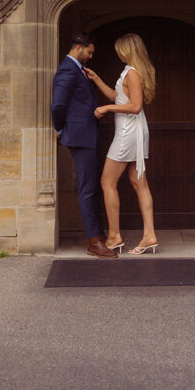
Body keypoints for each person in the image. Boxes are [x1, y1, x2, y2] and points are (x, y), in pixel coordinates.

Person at [86, 32, 158, 255]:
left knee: (107, 181)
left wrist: (107, 110)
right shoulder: (129, 71)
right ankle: (149, 236)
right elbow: (117, 97)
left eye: (120, 49)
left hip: (129, 132)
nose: (117, 53)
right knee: (139, 182)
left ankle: (115, 236)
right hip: (132, 131)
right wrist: (97, 79)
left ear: (127, 50)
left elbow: (135, 106)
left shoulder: (133, 73)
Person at [51, 33, 117, 259]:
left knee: (92, 186)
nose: (90, 56)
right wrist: (60, 129)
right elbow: (58, 104)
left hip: (87, 134)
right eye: (89, 52)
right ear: (79, 48)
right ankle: (94, 241)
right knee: (88, 188)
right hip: (79, 136)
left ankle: (97, 234)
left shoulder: (77, 69)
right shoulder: (68, 70)